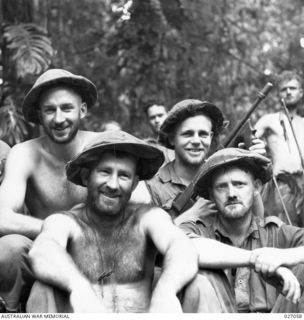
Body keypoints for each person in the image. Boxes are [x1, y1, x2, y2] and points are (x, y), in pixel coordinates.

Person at [26, 131, 199, 313]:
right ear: (86, 177)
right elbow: (43, 250)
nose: (113, 184)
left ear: (134, 184)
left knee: (199, 282)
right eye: (105, 172)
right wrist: (79, 287)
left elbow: (181, 246)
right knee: (42, 288)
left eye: (123, 176)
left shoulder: (147, 218)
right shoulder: (66, 221)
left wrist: (166, 291)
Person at [0, 68, 100, 311]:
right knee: (8, 248)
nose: (58, 118)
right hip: (40, 249)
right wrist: (59, 230)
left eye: (67, 108)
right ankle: (9, 311)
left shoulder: (103, 146)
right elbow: (1, 217)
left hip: (98, 249)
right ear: (39, 114)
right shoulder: (24, 154)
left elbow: (140, 207)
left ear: (83, 110)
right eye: (49, 109)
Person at [181, 147, 304, 312]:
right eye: (222, 187)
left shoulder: (276, 232)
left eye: (239, 184)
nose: (231, 193)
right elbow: (182, 246)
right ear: (211, 195)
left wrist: (282, 256)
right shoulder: (198, 230)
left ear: (256, 188)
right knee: (200, 274)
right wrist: (255, 259)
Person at [138, 99, 265, 225]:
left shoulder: (223, 176)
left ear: (210, 137)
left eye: (203, 134)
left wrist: (252, 168)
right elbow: (143, 242)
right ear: (172, 139)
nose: (196, 141)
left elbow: (257, 221)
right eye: (187, 134)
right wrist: (191, 215)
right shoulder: (151, 188)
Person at [255, 70, 304, 226]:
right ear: (279, 95)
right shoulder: (269, 120)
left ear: (301, 92)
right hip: (281, 184)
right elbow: (247, 140)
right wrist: (258, 148)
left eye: (292, 88)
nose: (288, 92)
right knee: (286, 230)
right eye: (284, 89)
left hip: (303, 181)